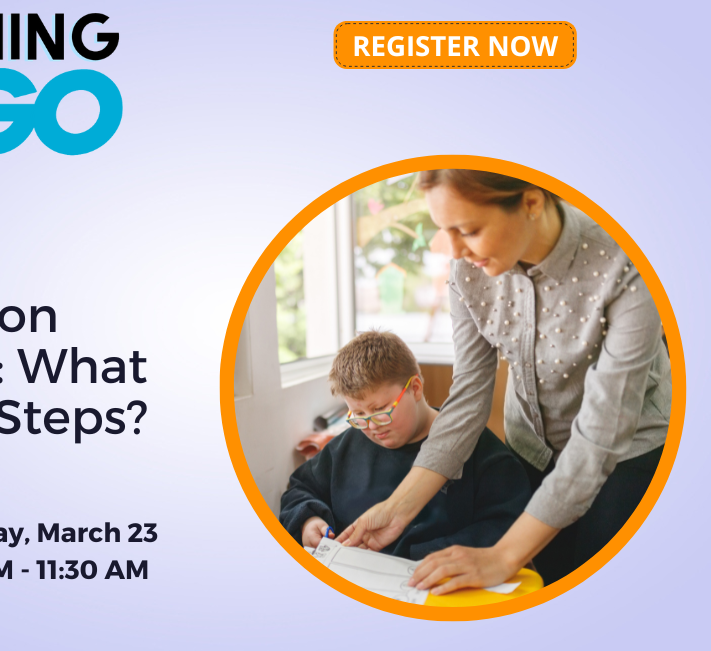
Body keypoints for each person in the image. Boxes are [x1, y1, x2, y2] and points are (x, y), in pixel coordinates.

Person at [338, 171, 671, 593]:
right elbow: (467, 398)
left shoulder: (628, 262)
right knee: (546, 580)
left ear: (531, 202)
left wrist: (502, 555)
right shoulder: (467, 271)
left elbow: (601, 434)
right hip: (531, 445)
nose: (455, 251)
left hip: (626, 452)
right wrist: (397, 509)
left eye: (470, 230)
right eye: (446, 230)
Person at [280, 330, 530, 559]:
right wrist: (308, 520)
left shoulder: (481, 451)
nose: (372, 425)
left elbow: (510, 524)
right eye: (358, 414)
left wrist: (420, 555)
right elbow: (301, 489)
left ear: (416, 388)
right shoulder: (344, 449)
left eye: (381, 409)